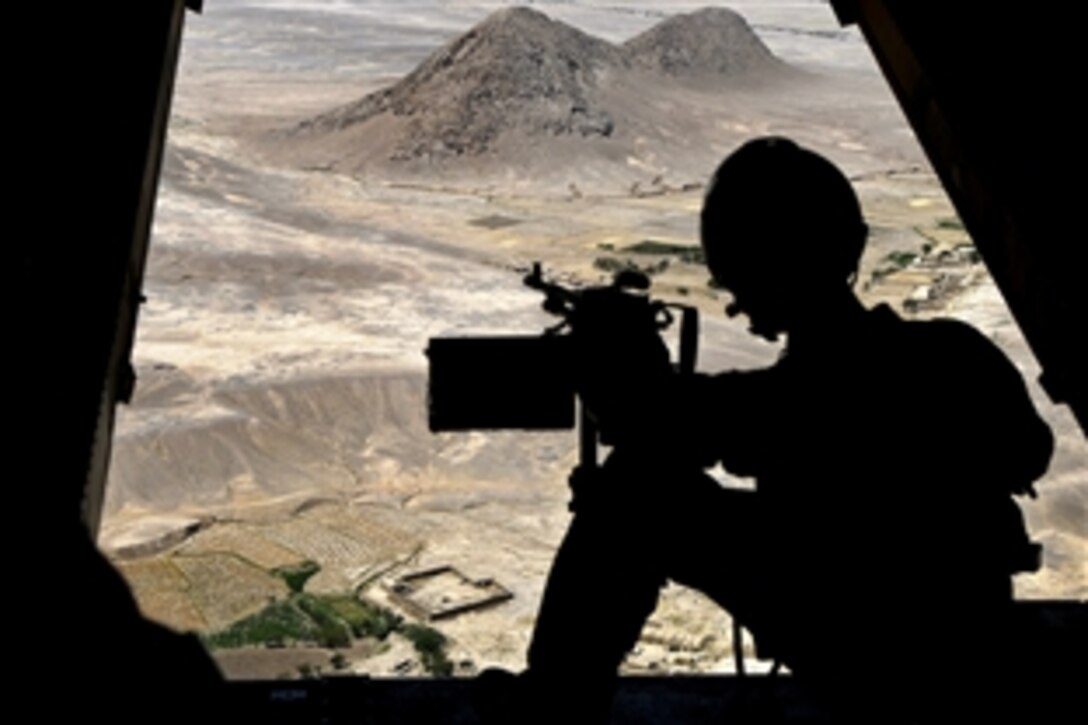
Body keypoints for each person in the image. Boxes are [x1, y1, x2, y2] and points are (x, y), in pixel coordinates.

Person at [475, 137, 1053, 724]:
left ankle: (554, 708)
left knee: (630, 492)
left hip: (876, 656)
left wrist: (618, 363)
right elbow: (1031, 452)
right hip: (968, 640)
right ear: (849, 245)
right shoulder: (954, 352)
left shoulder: (795, 397)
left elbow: (658, 421)